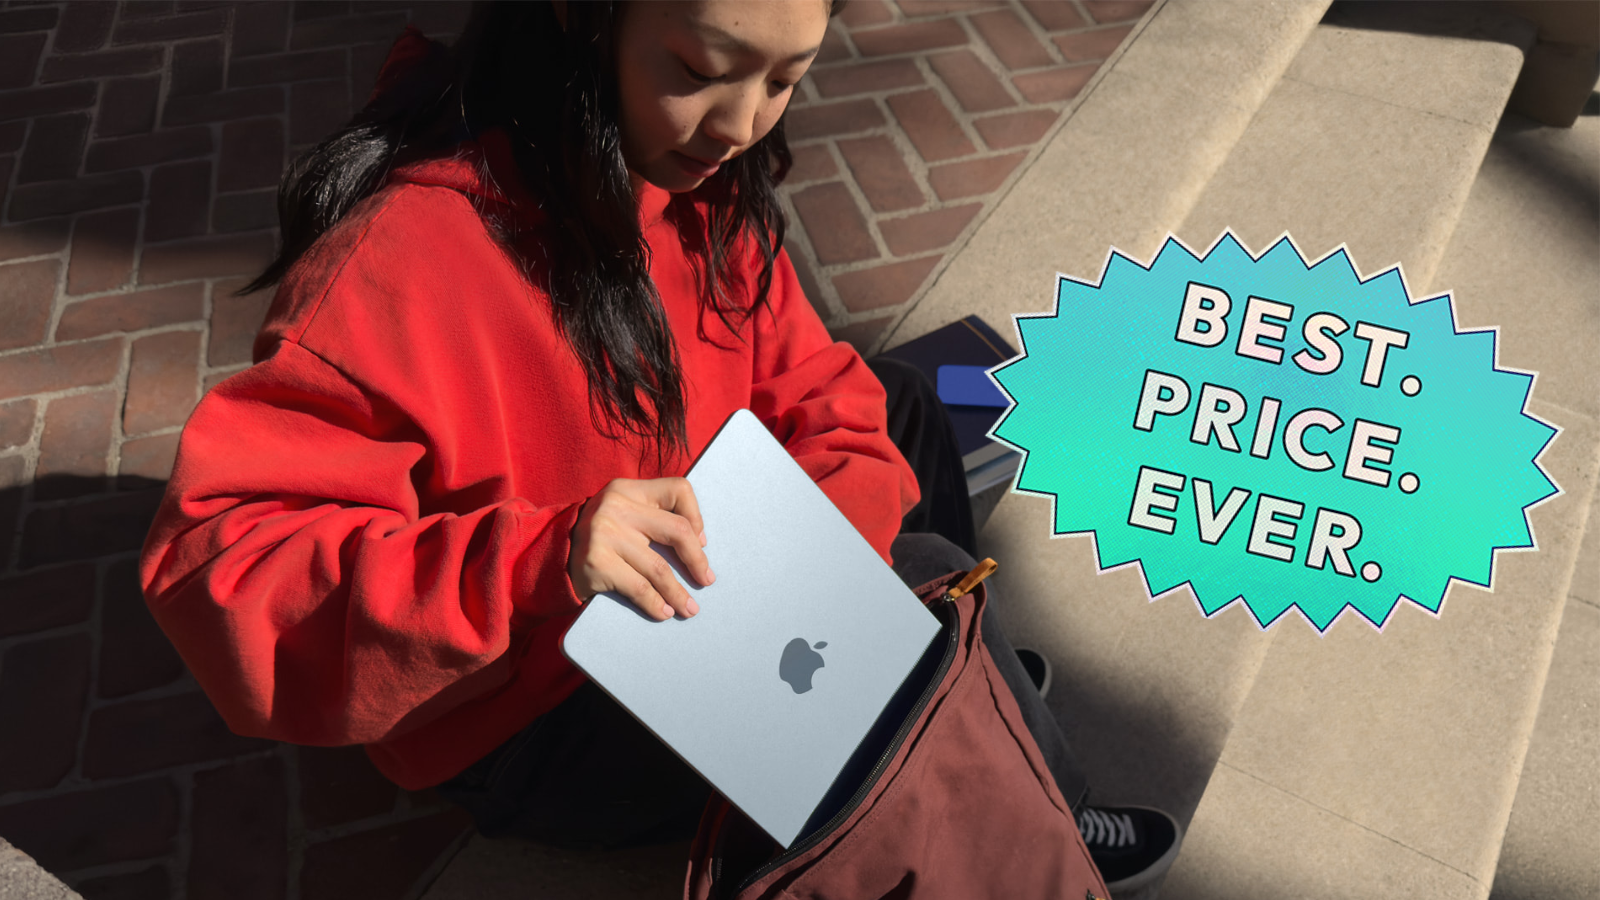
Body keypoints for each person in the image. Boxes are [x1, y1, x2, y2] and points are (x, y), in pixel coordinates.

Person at [138, 0, 1178, 891]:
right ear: (586, 15)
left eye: (785, 78)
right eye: (699, 70)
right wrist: (540, 558)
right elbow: (224, 571)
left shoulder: (703, 191)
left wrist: (829, 581)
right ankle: (1001, 775)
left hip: (686, 587)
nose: (737, 124)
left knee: (905, 419)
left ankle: (953, 708)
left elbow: (822, 386)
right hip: (531, 698)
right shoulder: (400, 264)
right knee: (926, 580)